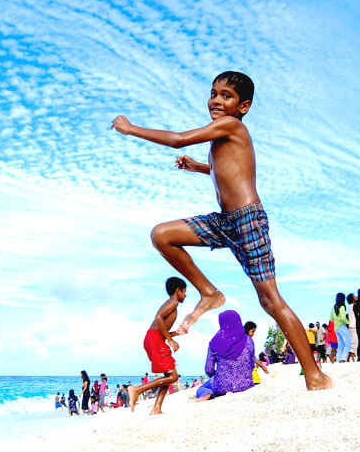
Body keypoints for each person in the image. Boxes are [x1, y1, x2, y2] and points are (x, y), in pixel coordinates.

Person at [111, 71, 331, 391]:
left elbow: (178, 138)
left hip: (247, 221)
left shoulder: (232, 125)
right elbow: (228, 170)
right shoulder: (221, 134)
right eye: (213, 93)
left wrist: (130, 129)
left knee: (270, 300)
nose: (216, 100)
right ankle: (209, 293)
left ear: (244, 106)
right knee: (162, 235)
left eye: (226, 96)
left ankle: (315, 375)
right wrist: (198, 167)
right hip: (223, 222)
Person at [127, 277, 186, 415]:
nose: (185, 295)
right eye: (184, 292)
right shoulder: (173, 302)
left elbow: (161, 329)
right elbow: (158, 317)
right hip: (155, 339)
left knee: (168, 375)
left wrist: (176, 333)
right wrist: (170, 341)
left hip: (154, 338)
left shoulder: (171, 303)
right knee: (173, 376)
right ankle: (137, 390)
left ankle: (156, 408)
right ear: (178, 291)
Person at [196, 310, 256, 401]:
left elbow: (208, 369)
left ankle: (208, 394)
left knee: (201, 389)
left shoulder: (215, 342)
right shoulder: (249, 340)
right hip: (246, 384)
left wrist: (221, 376)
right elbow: (252, 364)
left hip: (222, 386)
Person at [330, 293, 350, 362]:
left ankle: (338, 359)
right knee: (348, 344)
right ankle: (343, 359)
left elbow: (331, 318)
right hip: (342, 326)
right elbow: (343, 318)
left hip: (336, 327)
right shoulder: (342, 307)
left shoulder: (333, 307)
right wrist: (348, 322)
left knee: (341, 344)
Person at [346, 294, 358, 362]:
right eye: (355, 296)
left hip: (352, 326)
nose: (356, 297)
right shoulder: (354, 306)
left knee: (354, 343)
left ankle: (351, 357)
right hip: (354, 326)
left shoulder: (351, 306)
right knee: (354, 343)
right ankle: (348, 358)